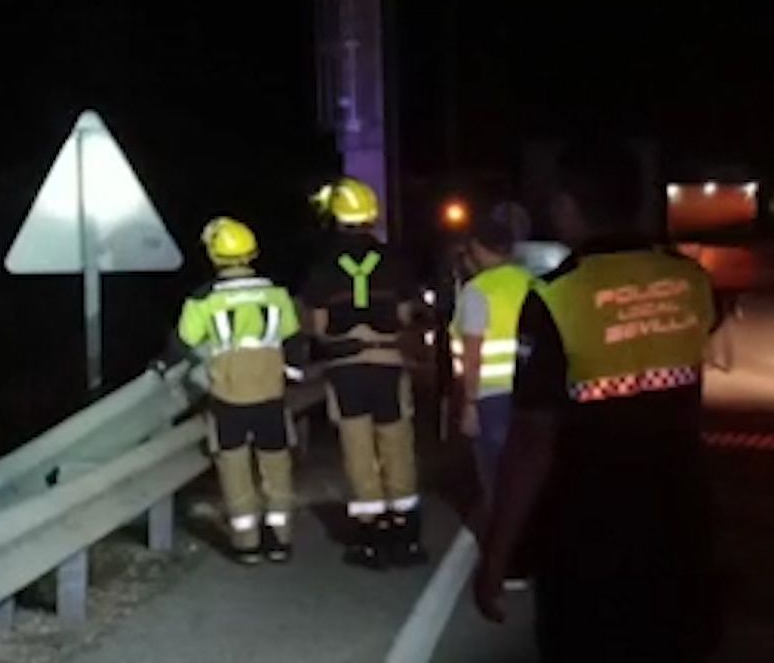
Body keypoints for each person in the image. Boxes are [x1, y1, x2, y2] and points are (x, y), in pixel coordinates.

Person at [474, 142, 718, 663]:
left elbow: (532, 443)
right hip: (681, 518)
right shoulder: (691, 281)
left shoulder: (558, 296)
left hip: (588, 528)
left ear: (567, 206)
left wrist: (497, 557)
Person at [301, 177, 426, 568]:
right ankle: (404, 530)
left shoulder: (321, 267)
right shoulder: (397, 262)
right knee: (396, 443)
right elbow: (406, 315)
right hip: (388, 364)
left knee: (357, 447)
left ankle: (370, 534)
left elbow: (317, 326)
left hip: (347, 369)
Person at [172, 217, 305, 564]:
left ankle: (246, 541)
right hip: (270, 395)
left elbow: (183, 343)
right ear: (251, 253)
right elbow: (292, 337)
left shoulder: (204, 299)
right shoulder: (276, 293)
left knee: (235, 467)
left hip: (229, 396)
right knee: (275, 465)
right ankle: (280, 538)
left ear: (215, 256)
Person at [450, 203, 534, 519]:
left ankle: (502, 546)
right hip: (530, 394)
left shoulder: (478, 291)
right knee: (526, 475)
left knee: (496, 478)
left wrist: (469, 404)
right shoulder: (532, 283)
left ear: (478, 250)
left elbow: (474, 348)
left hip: (490, 397)